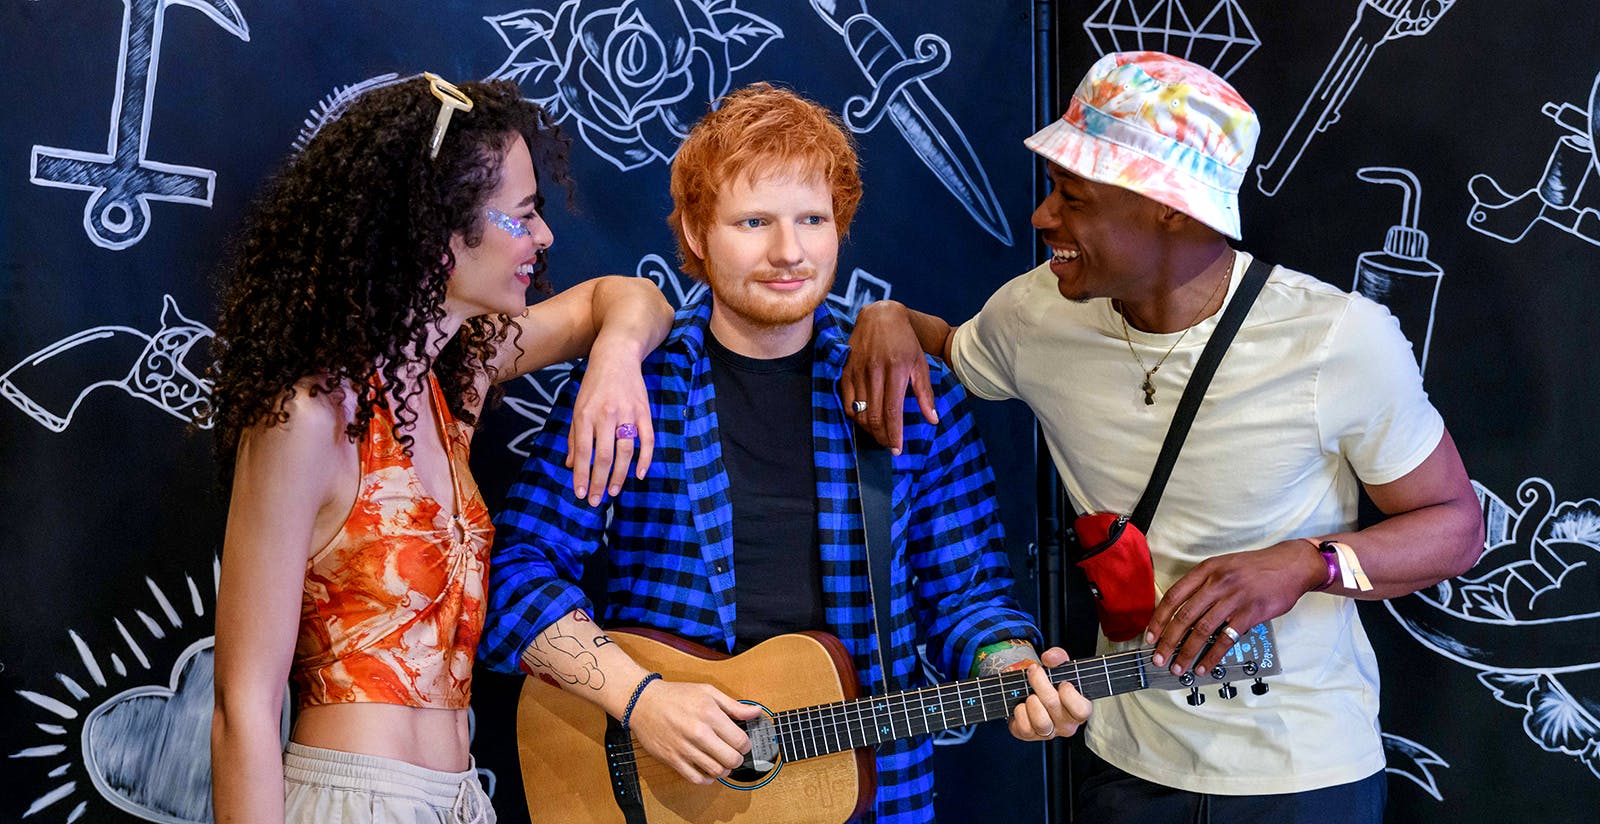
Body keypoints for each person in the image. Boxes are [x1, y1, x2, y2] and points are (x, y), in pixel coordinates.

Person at [841, 51, 1483, 822]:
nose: (1043, 217)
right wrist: (883, 318)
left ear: (1172, 209)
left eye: (1073, 198)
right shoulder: (1034, 313)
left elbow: (1454, 528)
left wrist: (1304, 565)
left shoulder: (1337, 340)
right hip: (1123, 766)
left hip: (1303, 776)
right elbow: (946, 346)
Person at [477, 82, 1091, 824]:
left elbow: (967, 596)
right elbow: (516, 576)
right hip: (665, 794)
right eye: (754, 222)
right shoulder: (635, 387)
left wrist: (1010, 668)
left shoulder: (914, 396)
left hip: (875, 794)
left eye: (812, 219)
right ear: (699, 234)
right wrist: (642, 701)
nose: (788, 251)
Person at [207, 74, 674, 823]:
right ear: (438, 231)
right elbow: (244, 707)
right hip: (353, 797)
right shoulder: (309, 416)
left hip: (461, 799)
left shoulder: (455, 377)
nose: (544, 238)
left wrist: (615, 363)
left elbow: (630, 299)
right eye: (522, 217)